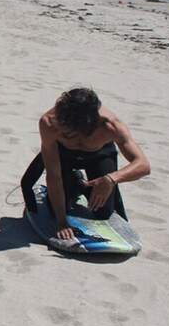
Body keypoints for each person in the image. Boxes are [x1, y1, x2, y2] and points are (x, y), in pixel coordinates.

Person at [20, 87, 150, 239]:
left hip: (99, 155)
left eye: (68, 133)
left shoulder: (110, 126)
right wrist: (62, 222)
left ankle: (83, 184)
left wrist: (111, 179)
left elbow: (143, 165)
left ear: (89, 127)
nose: (61, 132)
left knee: (103, 213)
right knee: (55, 208)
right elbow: (54, 176)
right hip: (64, 156)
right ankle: (75, 180)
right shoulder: (50, 123)